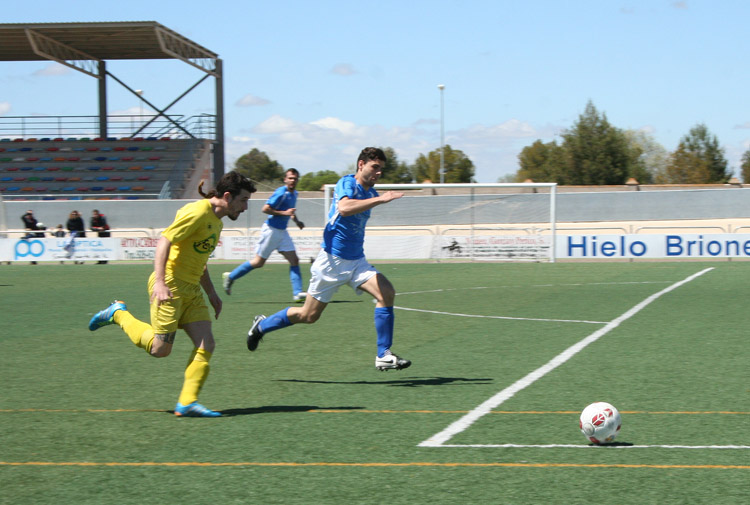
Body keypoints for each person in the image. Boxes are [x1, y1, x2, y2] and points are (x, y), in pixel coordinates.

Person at [88, 172, 256, 417]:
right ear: (227, 197)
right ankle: (118, 314)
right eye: (243, 200)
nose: (245, 207)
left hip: (192, 289)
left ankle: (186, 403)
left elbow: (200, 260)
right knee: (160, 350)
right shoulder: (197, 212)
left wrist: (212, 293)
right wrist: (159, 282)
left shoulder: (217, 222)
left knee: (206, 343)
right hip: (170, 285)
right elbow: (164, 241)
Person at [246, 147, 411, 371]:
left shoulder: (371, 194)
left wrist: (377, 199)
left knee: (387, 292)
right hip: (331, 263)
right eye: (375, 167)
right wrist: (381, 200)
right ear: (361, 164)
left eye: (381, 169)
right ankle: (262, 326)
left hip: (356, 262)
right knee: (308, 315)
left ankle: (383, 354)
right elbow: (343, 208)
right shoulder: (347, 183)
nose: (379, 173)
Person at [222, 168, 307, 301]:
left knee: (294, 260)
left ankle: (297, 293)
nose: (293, 181)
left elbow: (290, 211)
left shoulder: (295, 194)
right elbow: (265, 209)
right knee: (258, 262)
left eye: (295, 178)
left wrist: (297, 221)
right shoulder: (281, 193)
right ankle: (231, 277)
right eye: (290, 178)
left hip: (283, 232)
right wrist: (285, 213)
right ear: (285, 179)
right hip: (271, 230)